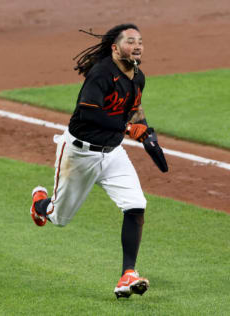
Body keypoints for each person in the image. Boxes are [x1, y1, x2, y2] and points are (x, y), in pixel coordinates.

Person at [30, 23, 154, 299]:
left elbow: (134, 110)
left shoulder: (137, 77)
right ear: (114, 47)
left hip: (112, 153)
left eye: (140, 42)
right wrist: (125, 129)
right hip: (79, 154)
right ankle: (40, 205)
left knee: (136, 205)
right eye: (130, 41)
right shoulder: (100, 74)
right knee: (59, 218)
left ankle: (127, 274)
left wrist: (147, 133)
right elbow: (89, 114)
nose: (137, 46)